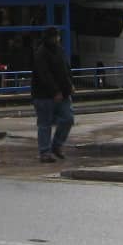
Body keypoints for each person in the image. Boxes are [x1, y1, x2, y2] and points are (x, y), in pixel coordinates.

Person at [31, 26, 75, 163]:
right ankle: (45, 152)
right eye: (55, 36)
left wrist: (70, 85)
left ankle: (56, 145)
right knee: (45, 123)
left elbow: (66, 69)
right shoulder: (41, 53)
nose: (58, 38)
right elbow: (45, 75)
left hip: (63, 94)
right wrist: (55, 91)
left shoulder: (59, 50)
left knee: (68, 119)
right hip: (44, 96)